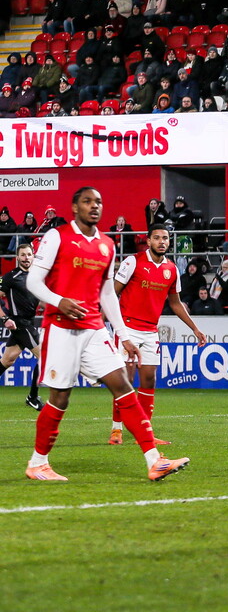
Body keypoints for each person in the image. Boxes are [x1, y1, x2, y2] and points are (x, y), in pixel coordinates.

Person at [23, 187, 189, 481]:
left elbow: (107, 296)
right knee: (60, 398)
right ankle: (38, 463)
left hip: (94, 329)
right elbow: (33, 281)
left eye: (98, 202)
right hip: (60, 327)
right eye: (87, 201)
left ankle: (154, 460)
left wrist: (123, 335)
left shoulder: (107, 245)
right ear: (75, 207)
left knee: (123, 385)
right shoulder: (57, 236)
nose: (94, 206)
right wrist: (58, 299)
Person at [109, 223, 207, 446]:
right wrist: (116, 325)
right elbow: (112, 293)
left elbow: (176, 303)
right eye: (157, 238)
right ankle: (116, 429)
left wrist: (194, 328)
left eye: (165, 238)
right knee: (126, 379)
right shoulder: (132, 261)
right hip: (128, 327)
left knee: (149, 379)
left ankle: (145, 432)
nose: (162, 241)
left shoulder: (171, 270)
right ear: (148, 240)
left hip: (150, 330)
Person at [0, 244, 45, 411]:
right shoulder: (10, 277)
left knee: (8, 360)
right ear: (17, 258)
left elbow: (39, 300)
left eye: (29, 254)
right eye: (23, 255)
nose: (26, 258)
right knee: (45, 357)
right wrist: (5, 318)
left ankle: (32, 397)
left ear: (33, 256)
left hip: (29, 322)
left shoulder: (35, 277)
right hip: (19, 323)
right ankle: (32, 397)